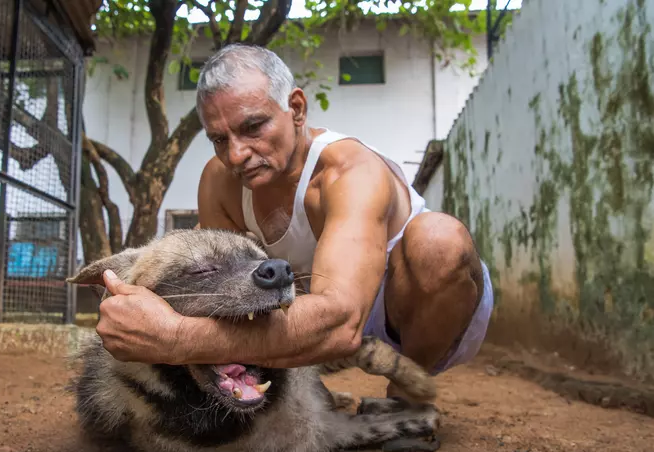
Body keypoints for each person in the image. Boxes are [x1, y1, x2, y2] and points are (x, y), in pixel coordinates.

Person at [95, 43, 494, 399]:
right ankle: (308, 396)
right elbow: (224, 295)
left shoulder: (349, 171)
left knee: (440, 240)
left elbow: (340, 323)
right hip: (314, 302)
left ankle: (402, 398)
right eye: (219, 139)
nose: (236, 155)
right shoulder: (219, 182)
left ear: (297, 110)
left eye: (253, 127)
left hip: (405, 304)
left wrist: (173, 337)